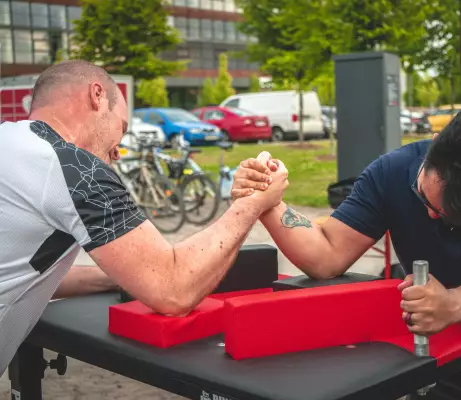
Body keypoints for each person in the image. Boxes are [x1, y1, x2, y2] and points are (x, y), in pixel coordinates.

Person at [231, 107, 461, 400]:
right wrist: (265, 201)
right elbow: (326, 254)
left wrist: (450, 304)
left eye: (449, 215)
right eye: (423, 198)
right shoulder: (391, 171)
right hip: (441, 364)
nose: (431, 216)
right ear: (433, 148)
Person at [0, 60, 288, 375]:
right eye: (121, 128)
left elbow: (20, 269)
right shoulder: (71, 167)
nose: (117, 152)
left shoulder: (11, 142)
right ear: (97, 96)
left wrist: (121, 276)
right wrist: (252, 204)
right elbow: (173, 290)